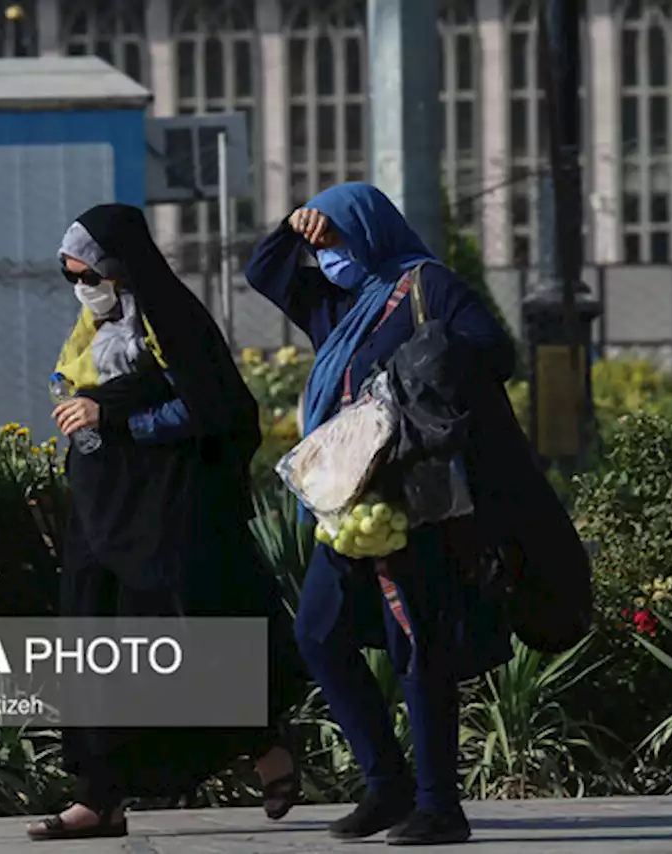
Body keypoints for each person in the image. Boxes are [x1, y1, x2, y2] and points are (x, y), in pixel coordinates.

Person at [244, 182, 524, 846]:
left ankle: (438, 805)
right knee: (318, 632)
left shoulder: (427, 285)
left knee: (416, 649)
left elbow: (495, 353)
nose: (328, 255)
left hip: (408, 500)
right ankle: (386, 784)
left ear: (369, 231)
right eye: (323, 245)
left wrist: (410, 379)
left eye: (336, 238)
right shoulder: (340, 305)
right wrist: (293, 227)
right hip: (347, 503)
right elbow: (265, 272)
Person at [27, 204, 306, 841]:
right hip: (102, 515)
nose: (81, 288)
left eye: (87, 274)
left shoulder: (174, 320)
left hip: (165, 516)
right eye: (70, 276)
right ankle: (100, 798)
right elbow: (79, 389)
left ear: (120, 269)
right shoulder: (90, 330)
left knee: (186, 637)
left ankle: (266, 746)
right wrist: (85, 413)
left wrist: (117, 418)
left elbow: (221, 407)